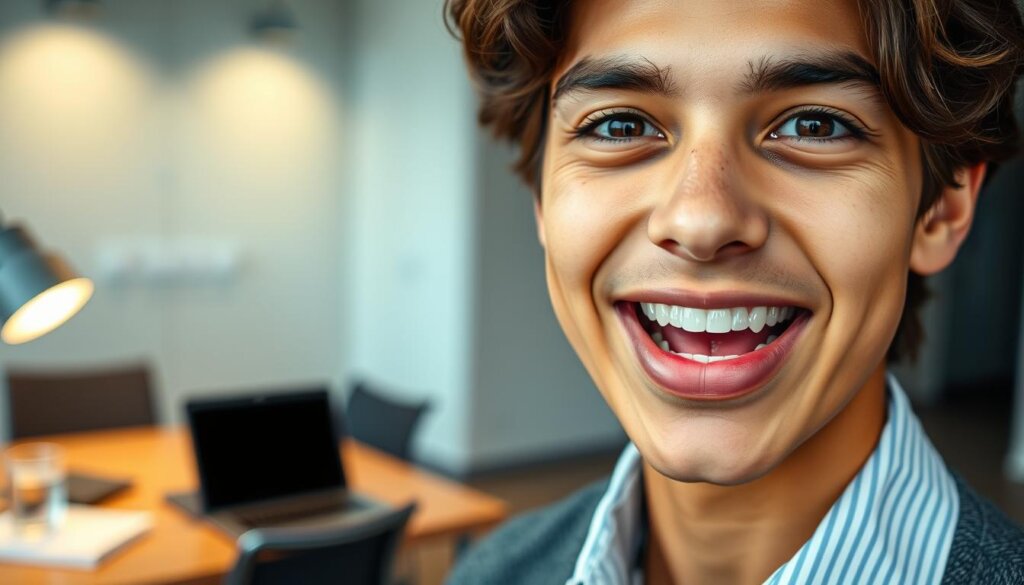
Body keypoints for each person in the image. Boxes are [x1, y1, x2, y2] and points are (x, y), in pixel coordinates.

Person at [445, 0, 1024, 583]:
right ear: (542, 199)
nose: (701, 221)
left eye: (815, 126)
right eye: (620, 125)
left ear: (941, 210)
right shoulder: (489, 572)